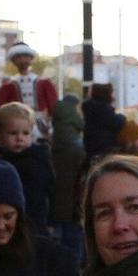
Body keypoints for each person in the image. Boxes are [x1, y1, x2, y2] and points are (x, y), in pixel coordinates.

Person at [0, 100, 55, 237]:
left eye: (25, 133)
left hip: (33, 225)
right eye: (13, 133)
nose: (20, 138)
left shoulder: (36, 161)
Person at [50, 93, 88, 265]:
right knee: (74, 252)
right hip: (73, 206)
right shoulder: (77, 145)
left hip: (55, 205)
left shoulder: (53, 141)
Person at [0, 42, 58, 119]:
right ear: (13, 60)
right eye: (18, 57)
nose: (22, 60)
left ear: (31, 58)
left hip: (40, 122)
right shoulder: (8, 86)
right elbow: (3, 108)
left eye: (25, 56)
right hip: (17, 122)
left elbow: (53, 105)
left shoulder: (44, 83)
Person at [80, 81, 123, 160]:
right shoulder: (103, 109)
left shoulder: (90, 108)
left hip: (92, 147)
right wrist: (122, 117)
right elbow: (116, 122)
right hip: (104, 148)